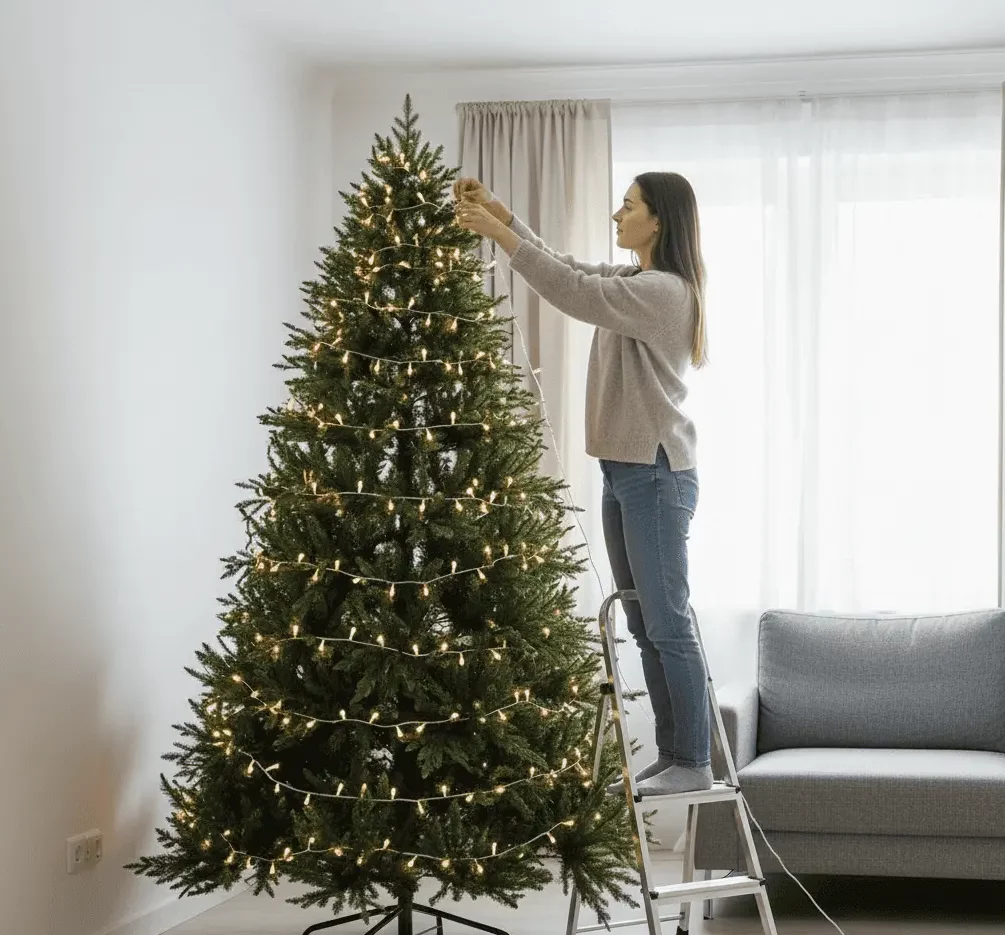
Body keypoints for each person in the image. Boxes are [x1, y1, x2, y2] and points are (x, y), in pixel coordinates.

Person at [454, 173, 711, 796]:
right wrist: (502, 213)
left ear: (659, 222)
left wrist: (498, 237)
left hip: (653, 473)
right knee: (645, 623)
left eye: (629, 207)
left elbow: (569, 290)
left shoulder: (664, 292)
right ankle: (676, 756)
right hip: (624, 471)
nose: (616, 215)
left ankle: (694, 761)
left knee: (668, 622)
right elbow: (569, 266)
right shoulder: (634, 281)